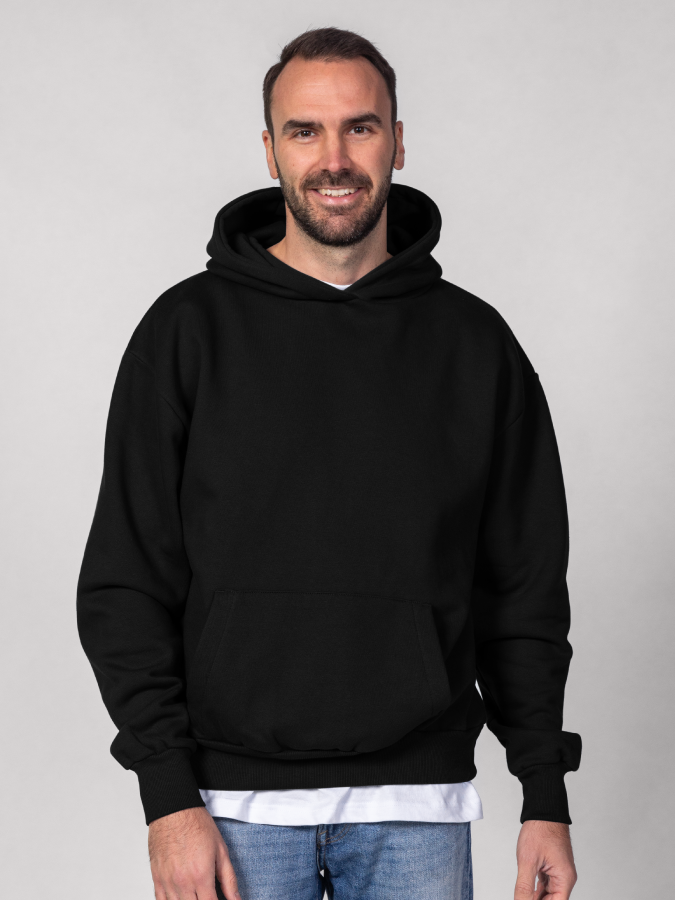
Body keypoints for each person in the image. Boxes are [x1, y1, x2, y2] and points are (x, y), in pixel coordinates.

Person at [76, 26, 582, 900]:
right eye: (305, 131)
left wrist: (544, 792)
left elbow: (522, 586)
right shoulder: (186, 334)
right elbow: (126, 580)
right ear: (270, 149)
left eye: (360, 126)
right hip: (226, 808)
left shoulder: (474, 345)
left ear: (397, 140)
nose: (334, 158)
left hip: (418, 806)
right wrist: (166, 796)